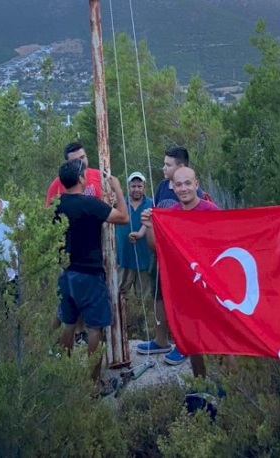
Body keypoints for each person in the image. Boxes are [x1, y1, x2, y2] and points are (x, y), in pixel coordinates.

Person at [54, 159, 129, 395]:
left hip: (65, 272)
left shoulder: (57, 204)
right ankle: (94, 384)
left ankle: (65, 376)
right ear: (81, 179)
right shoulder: (89, 204)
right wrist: (117, 188)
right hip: (89, 273)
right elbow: (123, 218)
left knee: (68, 322)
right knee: (95, 328)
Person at [140, 167, 219, 377]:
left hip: (210, 289)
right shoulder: (171, 214)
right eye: (179, 184)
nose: (183, 188)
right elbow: (156, 249)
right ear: (172, 187)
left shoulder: (211, 211)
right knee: (193, 344)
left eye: (187, 183)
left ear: (196, 184)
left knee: (221, 343)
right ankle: (201, 388)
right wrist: (149, 226)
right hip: (185, 290)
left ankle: (233, 394)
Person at [136, 146, 205, 365]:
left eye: (168, 164)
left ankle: (187, 345)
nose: (163, 168)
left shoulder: (202, 202)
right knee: (160, 295)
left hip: (189, 262)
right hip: (164, 255)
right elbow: (156, 225)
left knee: (185, 305)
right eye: (163, 164)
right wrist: (148, 228)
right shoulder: (163, 189)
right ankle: (161, 340)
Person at [116, 171, 153, 302]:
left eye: (139, 186)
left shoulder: (152, 205)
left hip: (144, 260)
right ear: (128, 186)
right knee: (119, 295)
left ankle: (140, 322)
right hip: (123, 259)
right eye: (133, 186)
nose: (136, 189)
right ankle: (121, 322)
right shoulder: (119, 203)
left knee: (142, 299)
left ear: (144, 187)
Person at [45, 142, 102, 207]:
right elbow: (49, 212)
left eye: (82, 157)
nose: (81, 162)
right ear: (68, 162)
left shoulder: (99, 175)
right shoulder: (57, 184)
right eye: (75, 160)